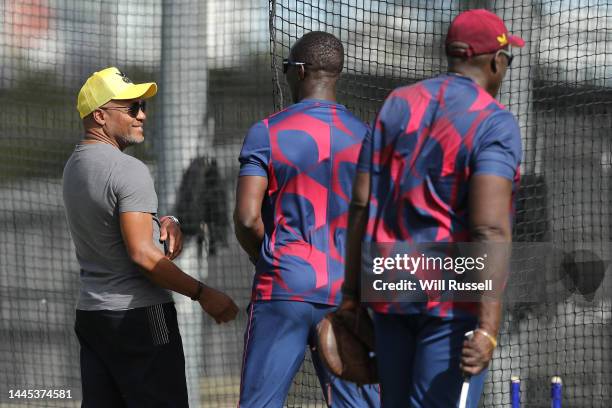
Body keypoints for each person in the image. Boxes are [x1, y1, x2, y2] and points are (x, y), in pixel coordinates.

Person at [339, 9, 524, 408]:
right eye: (507, 60)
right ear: (495, 60)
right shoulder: (494, 120)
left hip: (389, 280)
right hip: (451, 291)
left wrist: (351, 294)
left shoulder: (397, 103)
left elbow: (359, 203)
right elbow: (489, 229)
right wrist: (489, 327)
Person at [63, 66, 238, 407]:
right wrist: (203, 294)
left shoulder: (75, 165)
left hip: (93, 315)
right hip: (144, 315)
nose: (142, 115)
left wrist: (166, 221)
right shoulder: (128, 169)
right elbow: (143, 255)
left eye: (142, 105)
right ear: (100, 116)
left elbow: (115, 229)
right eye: (131, 108)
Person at [234, 32, 379, 407]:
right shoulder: (367, 137)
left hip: (285, 284)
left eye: (286, 68)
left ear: (298, 71)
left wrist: (265, 258)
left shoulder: (266, 132)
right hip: (347, 290)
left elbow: (248, 218)